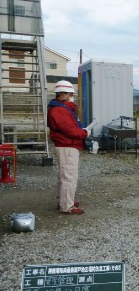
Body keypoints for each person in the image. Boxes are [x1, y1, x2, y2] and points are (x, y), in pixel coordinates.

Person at [47, 80, 90, 215]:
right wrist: (85, 133)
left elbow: (69, 128)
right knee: (69, 176)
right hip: (67, 145)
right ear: (63, 94)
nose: (72, 96)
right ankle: (66, 206)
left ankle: (64, 200)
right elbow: (70, 130)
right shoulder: (60, 110)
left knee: (65, 175)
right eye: (70, 94)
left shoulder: (59, 108)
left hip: (66, 145)